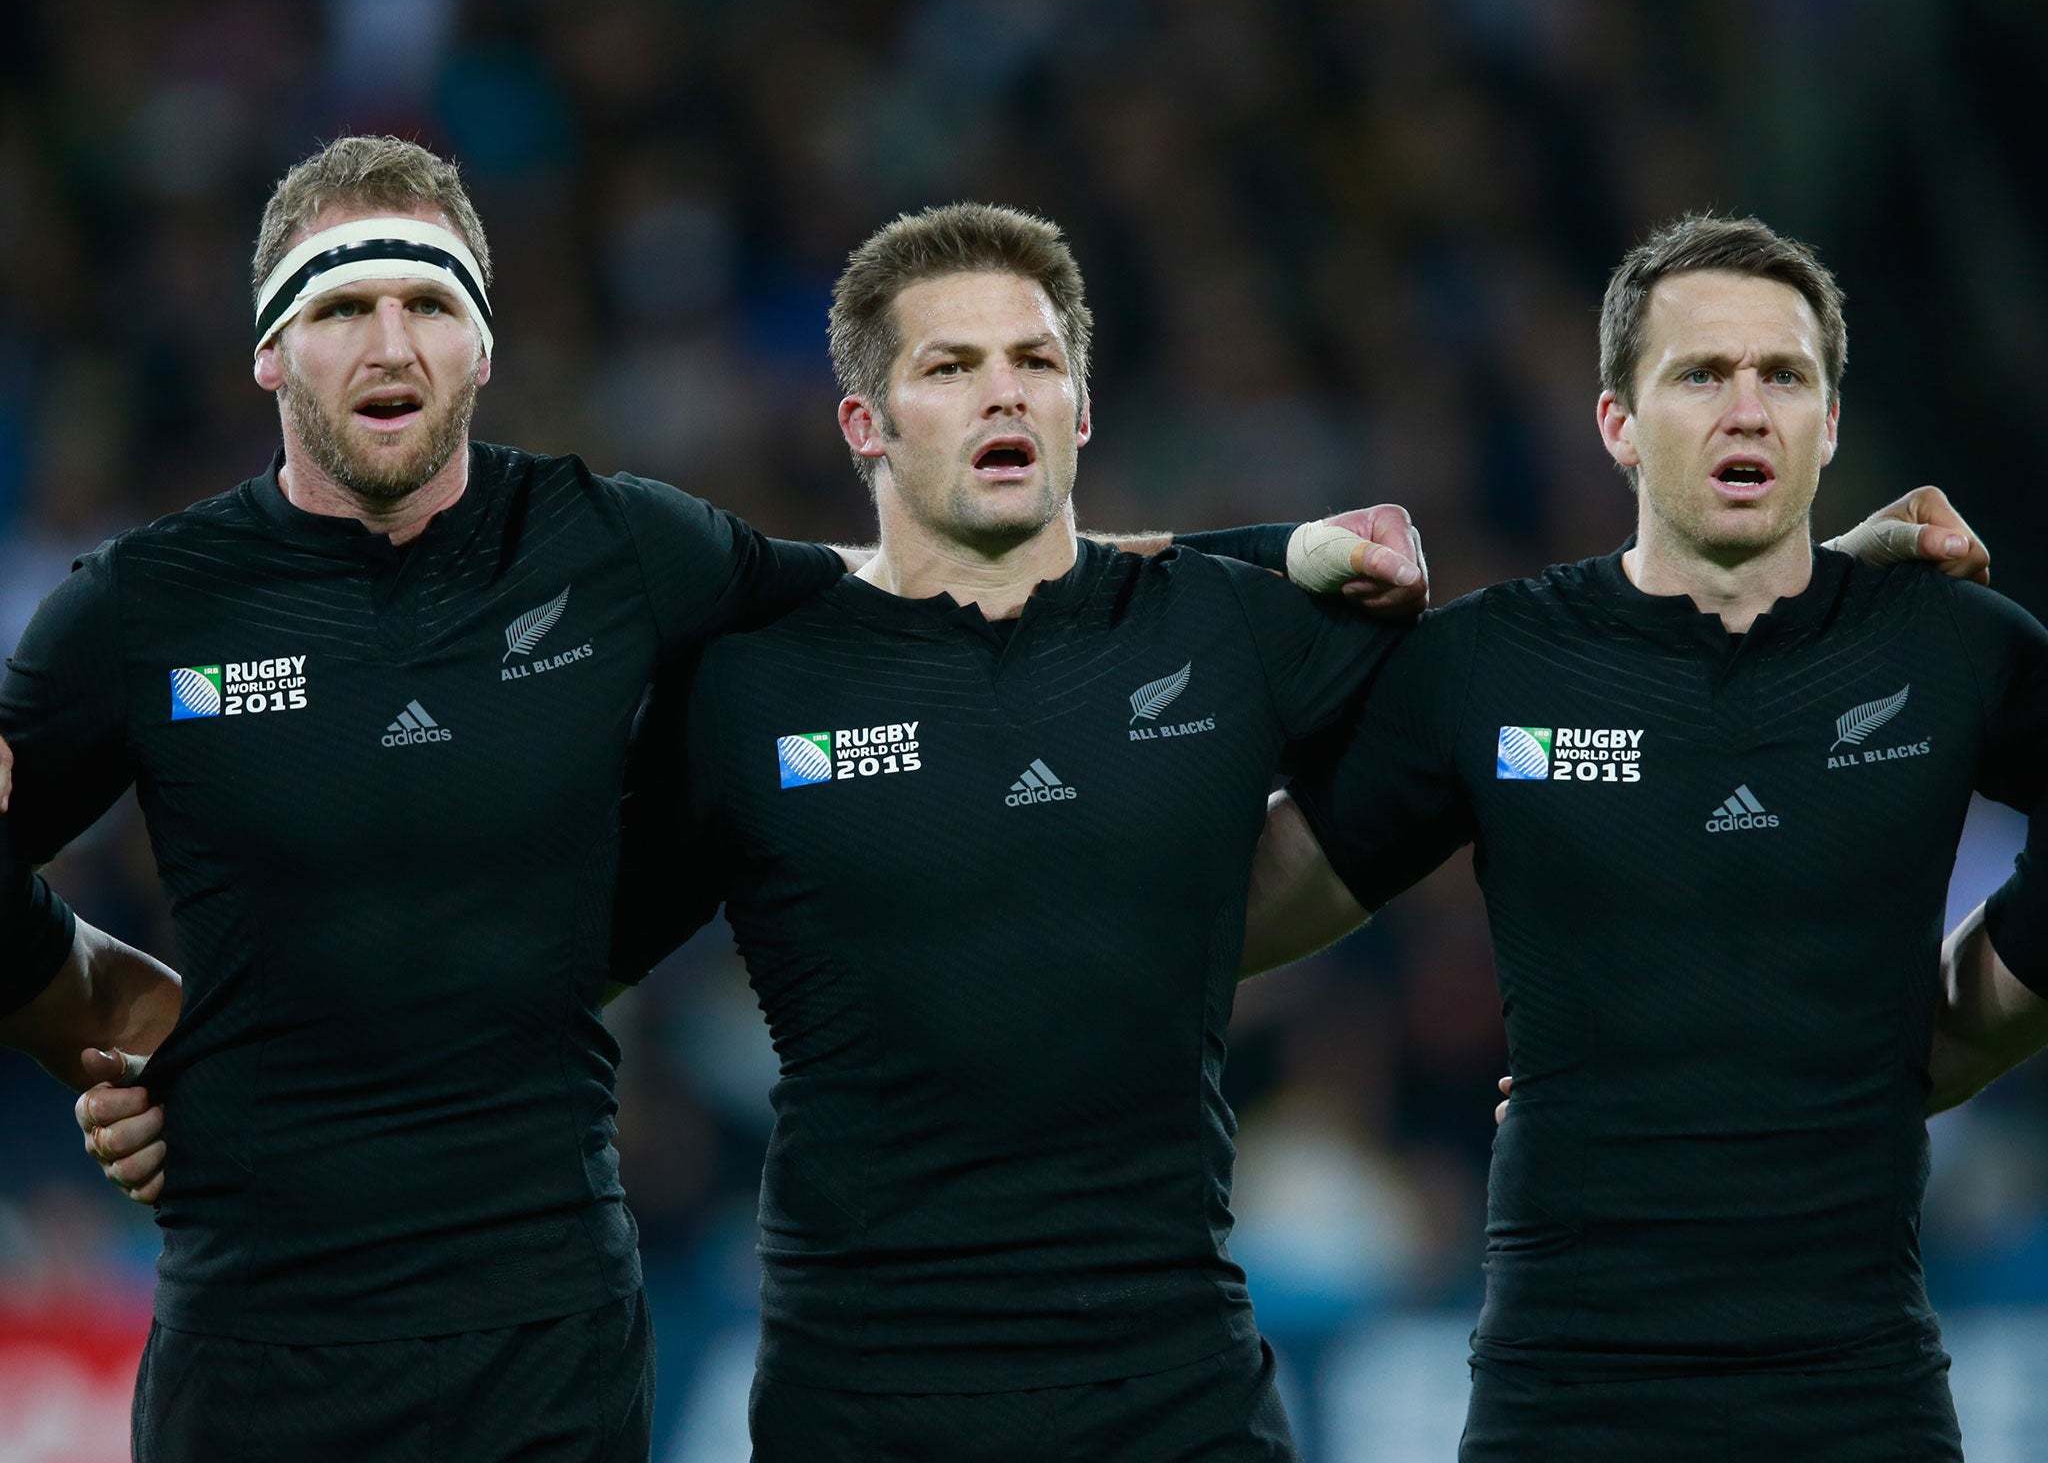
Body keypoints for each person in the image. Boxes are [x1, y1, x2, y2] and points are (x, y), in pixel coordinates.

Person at [0, 137, 1424, 1460]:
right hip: (256, 1331)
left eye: (429, 305)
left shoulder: (619, 547)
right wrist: (108, 1010)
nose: (390, 344)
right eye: (340, 307)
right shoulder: (144, 608)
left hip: (546, 1336)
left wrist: (1276, 552)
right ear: (270, 351)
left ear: (483, 342)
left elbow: (933, 560)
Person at [1249, 212, 2048, 1461]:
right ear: (1616, 424)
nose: (1746, 408)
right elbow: (1264, 898)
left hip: (1856, 1385)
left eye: (1783, 376)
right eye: (1698, 375)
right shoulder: (1487, 664)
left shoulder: (1951, 649)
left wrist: (1956, 1026)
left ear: (1828, 422)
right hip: (1564, 1394)